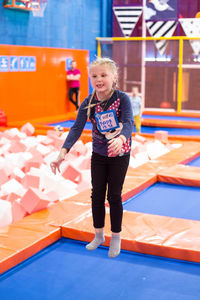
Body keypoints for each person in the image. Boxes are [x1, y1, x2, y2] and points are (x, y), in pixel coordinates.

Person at [50, 57, 134, 258]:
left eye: (103, 75)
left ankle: (116, 236)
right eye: (94, 76)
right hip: (99, 153)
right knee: (96, 195)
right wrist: (62, 153)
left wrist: (121, 138)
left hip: (120, 153)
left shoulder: (122, 99)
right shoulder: (89, 102)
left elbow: (129, 122)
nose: (98, 79)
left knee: (114, 196)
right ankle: (98, 235)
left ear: (114, 77)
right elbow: (77, 128)